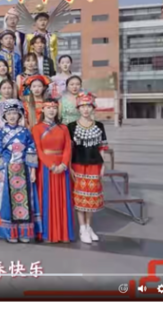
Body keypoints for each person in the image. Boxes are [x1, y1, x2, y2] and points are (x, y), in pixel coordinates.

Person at [0, 100, 40, 243]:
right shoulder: (0, 132)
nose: (12, 116)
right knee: (7, 201)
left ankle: (24, 232)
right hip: (7, 169)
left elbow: (31, 150)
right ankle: (10, 232)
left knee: (24, 201)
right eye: (9, 114)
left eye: (14, 113)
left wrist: (32, 171)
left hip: (23, 170)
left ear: (19, 116)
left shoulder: (25, 132)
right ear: (4, 116)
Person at [67, 92, 108, 244]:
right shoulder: (71, 127)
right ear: (78, 108)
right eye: (82, 106)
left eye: (88, 106)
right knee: (80, 197)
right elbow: (69, 150)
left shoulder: (99, 126)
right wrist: (70, 166)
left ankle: (89, 226)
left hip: (94, 165)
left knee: (91, 197)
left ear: (93, 108)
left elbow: (102, 148)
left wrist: (103, 166)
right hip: (77, 164)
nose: (85, 109)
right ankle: (82, 227)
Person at [32, 97, 74, 243]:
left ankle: (63, 233)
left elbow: (67, 148)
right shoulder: (37, 128)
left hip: (62, 167)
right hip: (45, 167)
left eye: (54, 108)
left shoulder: (64, 128)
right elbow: (38, 150)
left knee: (62, 200)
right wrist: (51, 165)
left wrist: (63, 164)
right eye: (48, 107)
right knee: (46, 199)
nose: (51, 110)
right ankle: (47, 233)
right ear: (43, 109)